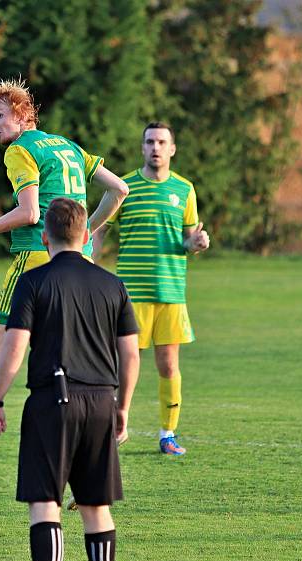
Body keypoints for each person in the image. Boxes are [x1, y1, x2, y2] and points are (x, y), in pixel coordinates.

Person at [0, 77, 129, 457]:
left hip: (37, 257)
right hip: (82, 260)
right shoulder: (67, 146)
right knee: (73, 354)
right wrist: (88, 233)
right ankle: (95, 454)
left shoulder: (20, 150)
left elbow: (31, 213)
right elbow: (119, 190)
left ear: (22, 114)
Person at [0, 197, 139, 561]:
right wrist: (122, 406)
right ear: (86, 235)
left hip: (52, 400)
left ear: (44, 237)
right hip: (102, 400)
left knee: (45, 504)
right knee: (96, 507)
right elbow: (130, 354)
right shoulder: (112, 284)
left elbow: (14, 348)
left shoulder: (34, 282)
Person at [94, 122, 210, 455]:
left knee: (169, 365)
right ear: (142, 147)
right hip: (131, 292)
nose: (155, 147)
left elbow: (188, 239)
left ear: (172, 149)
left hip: (171, 292)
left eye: (162, 142)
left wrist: (196, 243)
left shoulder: (185, 190)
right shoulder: (124, 186)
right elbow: (100, 228)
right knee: (124, 362)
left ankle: (167, 433)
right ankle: (116, 426)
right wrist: (89, 262)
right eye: (150, 142)